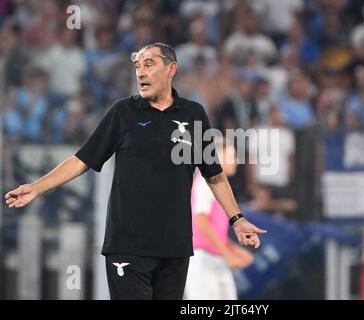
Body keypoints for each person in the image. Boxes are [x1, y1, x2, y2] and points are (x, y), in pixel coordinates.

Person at [4, 42, 267, 300]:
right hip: (127, 246)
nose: (140, 72)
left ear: (170, 68)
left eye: (149, 64)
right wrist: (37, 187)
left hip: (174, 247)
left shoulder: (193, 114)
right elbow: (81, 160)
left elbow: (215, 175)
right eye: (138, 66)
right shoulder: (123, 112)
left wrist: (237, 219)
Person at [184, 138, 253, 300]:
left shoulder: (219, 186)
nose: (236, 161)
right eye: (231, 156)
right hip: (202, 258)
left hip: (215, 257)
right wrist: (228, 254)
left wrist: (234, 250)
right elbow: (201, 221)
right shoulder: (205, 182)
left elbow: (215, 229)